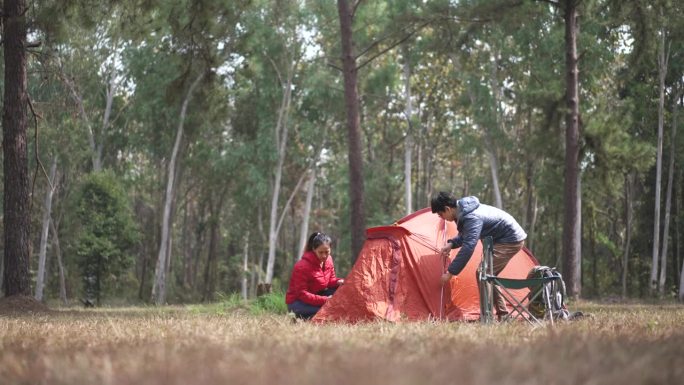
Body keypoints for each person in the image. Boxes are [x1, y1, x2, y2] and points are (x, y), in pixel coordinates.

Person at [431, 192, 527, 320]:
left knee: (483, 273)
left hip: (510, 240)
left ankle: (486, 317)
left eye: (441, 214)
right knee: (488, 274)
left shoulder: (471, 216)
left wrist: (450, 272)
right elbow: (467, 235)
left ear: (448, 209)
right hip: (499, 240)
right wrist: (452, 243)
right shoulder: (462, 211)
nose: (442, 218)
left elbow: (468, 246)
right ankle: (503, 315)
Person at [285, 232, 344, 319]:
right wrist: (325, 300)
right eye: (320, 252)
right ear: (314, 249)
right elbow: (302, 294)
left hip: (317, 296)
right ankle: (298, 316)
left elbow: (329, 281)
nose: (324, 256)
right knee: (329, 310)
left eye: (327, 252)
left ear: (330, 249)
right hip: (298, 302)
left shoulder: (329, 260)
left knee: (343, 289)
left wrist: (338, 282)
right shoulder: (302, 266)